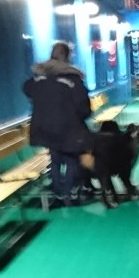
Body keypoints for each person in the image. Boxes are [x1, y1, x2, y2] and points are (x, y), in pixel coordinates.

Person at [23, 41, 92, 206]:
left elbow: (27, 89)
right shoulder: (71, 78)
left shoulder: (39, 77)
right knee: (71, 159)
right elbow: (82, 104)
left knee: (55, 159)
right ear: (67, 56)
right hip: (67, 127)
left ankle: (58, 194)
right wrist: (83, 115)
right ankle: (68, 194)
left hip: (45, 127)